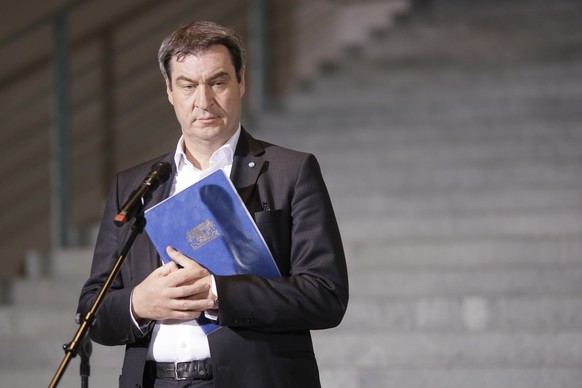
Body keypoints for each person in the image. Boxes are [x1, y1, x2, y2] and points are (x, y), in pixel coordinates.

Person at [77, 20, 349, 388]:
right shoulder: (136, 185)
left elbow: (325, 296)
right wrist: (139, 304)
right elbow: (93, 312)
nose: (203, 101)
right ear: (170, 92)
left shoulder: (291, 171)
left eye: (217, 82)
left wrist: (219, 293)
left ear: (241, 82)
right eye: (188, 86)